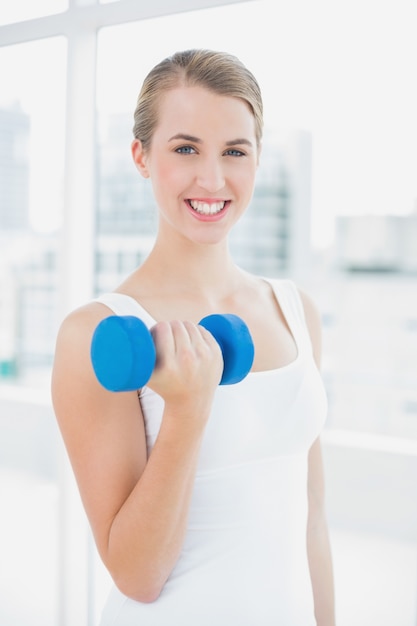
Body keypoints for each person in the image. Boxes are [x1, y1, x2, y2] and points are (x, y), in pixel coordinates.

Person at [51, 49, 336, 625]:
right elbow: (138, 575)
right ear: (141, 157)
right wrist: (187, 411)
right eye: (185, 149)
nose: (213, 178)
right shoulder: (96, 333)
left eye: (235, 151)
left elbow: (311, 515)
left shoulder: (295, 311)